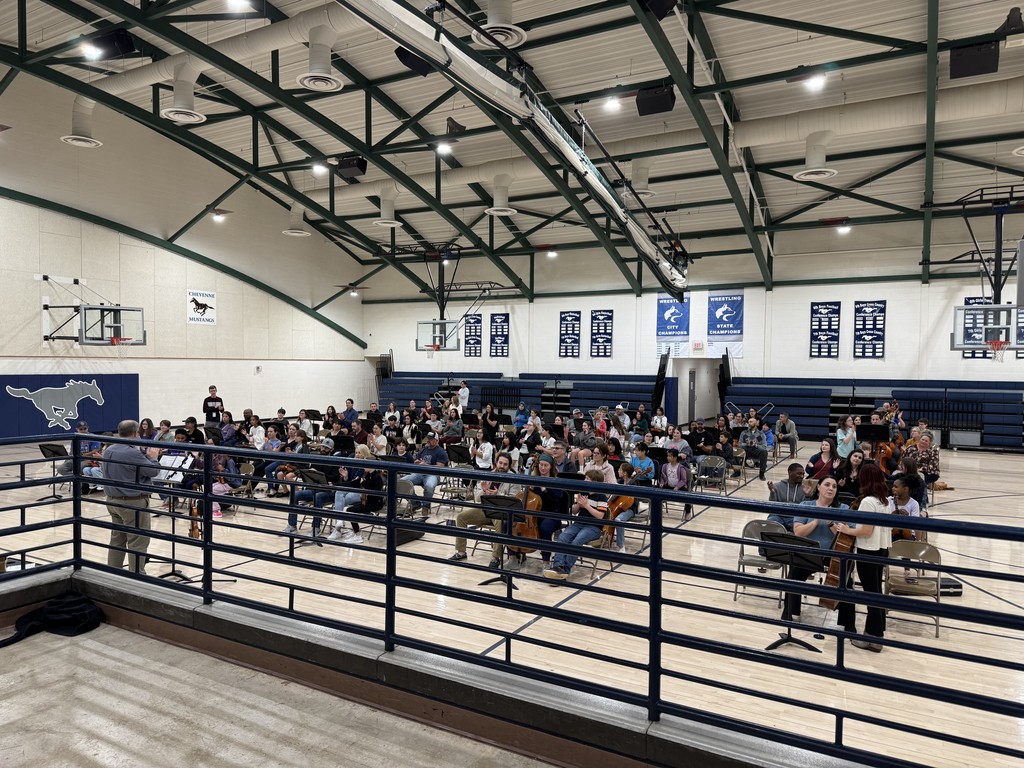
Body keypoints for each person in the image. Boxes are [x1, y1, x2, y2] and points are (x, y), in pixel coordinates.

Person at [830, 463, 891, 651]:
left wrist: (845, 529)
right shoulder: (885, 501)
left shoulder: (867, 502)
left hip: (868, 550)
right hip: (882, 549)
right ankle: (876, 634)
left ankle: (874, 637)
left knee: (870, 594)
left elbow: (865, 530)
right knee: (876, 592)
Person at [782, 476, 849, 623]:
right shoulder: (806, 505)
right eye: (827, 485)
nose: (831, 488)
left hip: (833, 555)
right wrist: (816, 520)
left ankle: (847, 624)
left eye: (834, 486)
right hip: (809, 553)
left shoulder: (843, 508)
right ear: (818, 487)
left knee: (847, 580)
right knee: (794, 574)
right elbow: (798, 532)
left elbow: (843, 537)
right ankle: (791, 613)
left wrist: (830, 522)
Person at [100, 420, 162, 575]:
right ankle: (136, 575)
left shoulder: (109, 449)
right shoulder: (131, 452)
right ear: (135, 434)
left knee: (117, 539)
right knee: (138, 540)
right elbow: (153, 472)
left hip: (112, 500)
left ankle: (113, 572)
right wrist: (153, 457)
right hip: (132, 502)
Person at [450, 453, 518, 568]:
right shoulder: (488, 474)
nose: (502, 466)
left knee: (501, 523)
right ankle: (461, 552)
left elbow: (514, 500)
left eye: (505, 464)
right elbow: (476, 498)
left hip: (501, 512)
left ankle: (495, 557)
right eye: (500, 463)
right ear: (496, 463)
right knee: (461, 517)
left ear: (509, 465)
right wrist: (483, 491)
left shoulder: (514, 478)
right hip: (485, 509)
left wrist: (498, 494)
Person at [543, 469, 609, 581]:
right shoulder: (583, 493)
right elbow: (574, 511)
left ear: (595, 481)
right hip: (579, 523)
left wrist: (587, 505)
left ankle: (565, 569)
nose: (585, 480)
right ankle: (558, 566)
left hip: (594, 527)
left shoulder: (601, 496)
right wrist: (578, 504)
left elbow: (600, 516)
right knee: (563, 537)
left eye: (587, 479)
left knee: (577, 541)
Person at [404, 432, 449, 513]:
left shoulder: (441, 451)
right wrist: (417, 462)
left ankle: (426, 506)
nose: (428, 441)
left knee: (429, 486)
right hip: (420, 473)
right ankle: (415, 503)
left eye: (431, 439)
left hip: (433, 474)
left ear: (436, 440)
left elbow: (440, 467)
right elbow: (417, 461)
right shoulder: (423, 450)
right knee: (402, 482)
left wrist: (426, 465)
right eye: (428, 439)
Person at [766, 463, 807, 531]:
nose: (802, 476)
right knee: (771, 522)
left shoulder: (805, 488)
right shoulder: (777, 486)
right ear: (790, 473)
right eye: (799, 473)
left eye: (803, 474)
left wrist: (807, 495)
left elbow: (806, 507)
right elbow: (772, 506)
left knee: (800, 528)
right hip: (778, 516)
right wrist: (772, 493)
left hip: (795, 518)